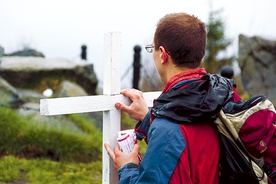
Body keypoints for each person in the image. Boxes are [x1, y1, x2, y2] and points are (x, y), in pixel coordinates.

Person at [105, 12, 241, 183]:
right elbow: (189, 144)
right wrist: (149, 117)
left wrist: (127, 168)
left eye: (151, 48)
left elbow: (174, 139)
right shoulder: (226, 96)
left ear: (163, 54)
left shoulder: (168, 129)